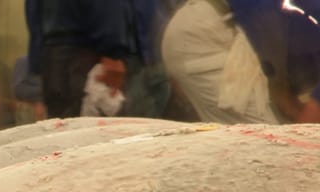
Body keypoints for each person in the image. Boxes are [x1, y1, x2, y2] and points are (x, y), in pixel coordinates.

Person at [161, 0, 320, 124]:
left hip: (237, 31)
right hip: (208, 36)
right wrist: (279, 88)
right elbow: (262, 15)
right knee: (273, 143)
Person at [24, 0, 170, 119]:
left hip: (59, 52)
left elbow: (33, 11)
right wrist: (113, 51)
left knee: (69, 138)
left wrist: (39, 63)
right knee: (111, 141)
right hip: (92, 54)